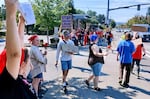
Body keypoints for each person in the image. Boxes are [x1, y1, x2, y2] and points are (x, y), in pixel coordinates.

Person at [0, 0, 37, 98]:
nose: (32, 66)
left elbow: (17, 45)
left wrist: (21, 21)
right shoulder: (13, 83)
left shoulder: (15, 80)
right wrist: (11, 14)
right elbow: (15, 54)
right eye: (30, 62)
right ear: (23, 66)